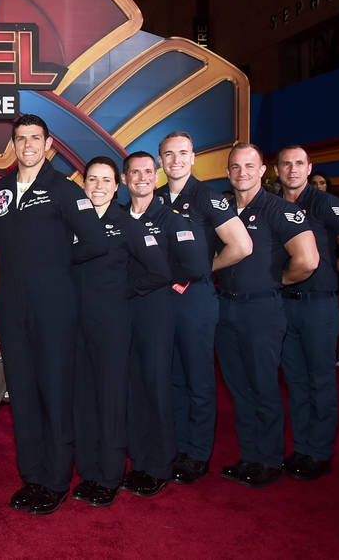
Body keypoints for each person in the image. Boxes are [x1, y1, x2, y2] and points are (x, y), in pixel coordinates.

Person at [0, 114, 107, 515]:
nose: (28, 145)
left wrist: (51, 260)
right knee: (23, 394)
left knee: (54, 391)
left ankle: (55, 480)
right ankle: (31, 476)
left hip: (55, 307)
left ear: (48, 144)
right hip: (12, 306)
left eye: (36, 138)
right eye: (21, 138)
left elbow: (95, 239)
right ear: (13, 145)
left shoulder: (64, 191)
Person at [215, 143, 318, 488]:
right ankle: (250, 456)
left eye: (249, 166)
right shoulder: (224, 209)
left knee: (262, 386)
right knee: (238, 387)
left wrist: (275, 281)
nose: (241, 172)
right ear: (228, 172)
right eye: (235, 167)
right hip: (225, 307)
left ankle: (270, 460)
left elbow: (308, 260)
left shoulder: (278, 209)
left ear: (262, 171)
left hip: (260, 309)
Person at [155, 132, 252, 485]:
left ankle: (197, 453)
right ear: (161, 161)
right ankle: (178, 446)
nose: (176, 160)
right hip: (163, 300)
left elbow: (241, 245)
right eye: (169, 155)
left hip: (195, 299)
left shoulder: (209, 197)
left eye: (183, 153)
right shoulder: (156, 198)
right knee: (173, 377)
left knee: (197, 378)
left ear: (193, 157)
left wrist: (204, 269)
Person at [275, 145, 339, 480]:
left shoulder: (326, 204)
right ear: (276, 170)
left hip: (317, 305)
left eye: (299, 164)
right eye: (286, 164)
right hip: (284, 304)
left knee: (319, 381)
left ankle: (319, 452)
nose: (292, 170)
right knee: (295, 381)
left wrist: (328, 270)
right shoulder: (274, 206)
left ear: (309, 167)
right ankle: (302, 447)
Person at [119, 152, 204, 499]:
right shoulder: (117, 216)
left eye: (147, 172)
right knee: (132, 389)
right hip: (122, 315)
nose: (141, 178)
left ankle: (159, 465)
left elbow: (195, 267)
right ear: (124, 180)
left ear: (156, 177)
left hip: (155, 312)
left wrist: (166, 285)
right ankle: (139, 460)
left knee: (156, 386)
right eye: (133, 173)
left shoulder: (170, 219)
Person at [71, 157, 133, 508]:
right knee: (83, 399)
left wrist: (122, 301)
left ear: (116, 186)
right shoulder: (72, 222)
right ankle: (89, 472)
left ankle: (110, 476)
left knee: (110, 400)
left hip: (111, 326)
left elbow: (153, 271)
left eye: (105, 180)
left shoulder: (125, 223)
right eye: (91, 179)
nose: (97, 186)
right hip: (75, 325)